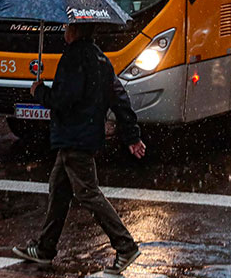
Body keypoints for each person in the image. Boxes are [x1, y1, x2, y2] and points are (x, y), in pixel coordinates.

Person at [12, 22, 146, 276]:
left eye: (67, 27)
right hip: (83, 136)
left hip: (73, 137)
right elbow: (119, 98)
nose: (65, 31)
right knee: (59, 190)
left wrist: (39, 91)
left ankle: (125, 246)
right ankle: (44, 248)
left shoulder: (73, 59)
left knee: (87, 192)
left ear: (74, 32)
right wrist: (131, 135)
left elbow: (63, 100)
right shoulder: (100, 59)